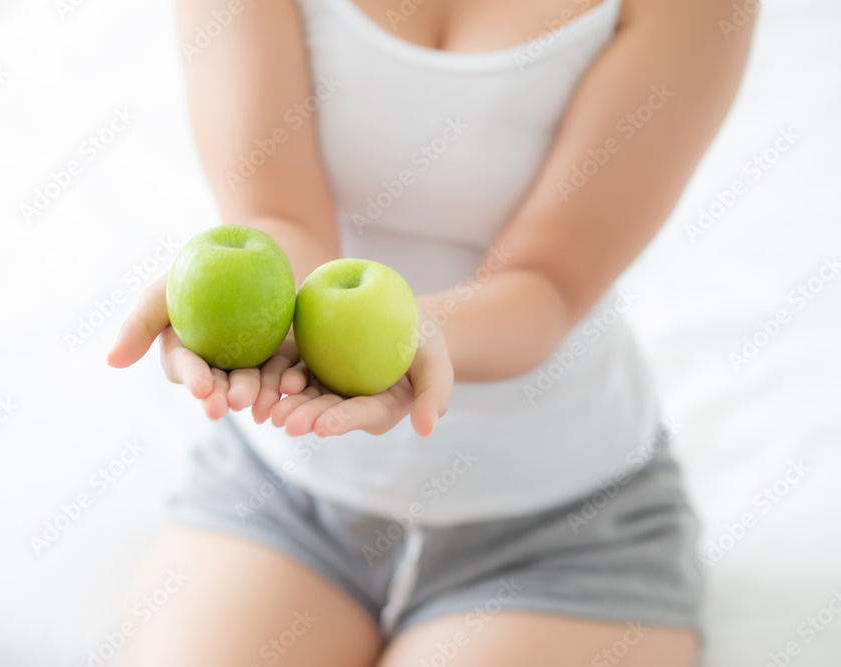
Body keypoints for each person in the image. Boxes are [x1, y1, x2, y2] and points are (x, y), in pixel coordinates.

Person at [109, 0, 754, 663]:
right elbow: (277, 212)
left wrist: (416, 336)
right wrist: (251, 311)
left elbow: (547, 285)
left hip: (561, 529)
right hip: (284, 490)